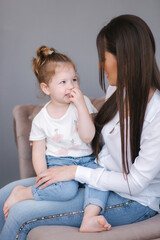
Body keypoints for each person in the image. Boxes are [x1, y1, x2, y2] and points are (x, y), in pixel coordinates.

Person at [0, 14, 160, 240]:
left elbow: (135, 183)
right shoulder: (118, 90)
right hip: (96, 179)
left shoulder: (157, 113)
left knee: (19, 214)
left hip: (132, 199)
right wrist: (77, 172)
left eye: (103, 57)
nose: (99, 65)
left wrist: (75, 172)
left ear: (125, 58)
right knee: (3, 195)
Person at [2, 45, 111, 232]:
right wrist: (43, 176)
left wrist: (81, 106)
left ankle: (90, 216)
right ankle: (23, 193)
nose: (71, 86)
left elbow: (88, 136)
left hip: (87, 161)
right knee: (66, 190)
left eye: (74, 80)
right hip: (58, 164)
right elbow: (38, 152)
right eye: (63, 82)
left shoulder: (81, 103)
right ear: (46, 88)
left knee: (102, 180)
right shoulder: (40, 119)